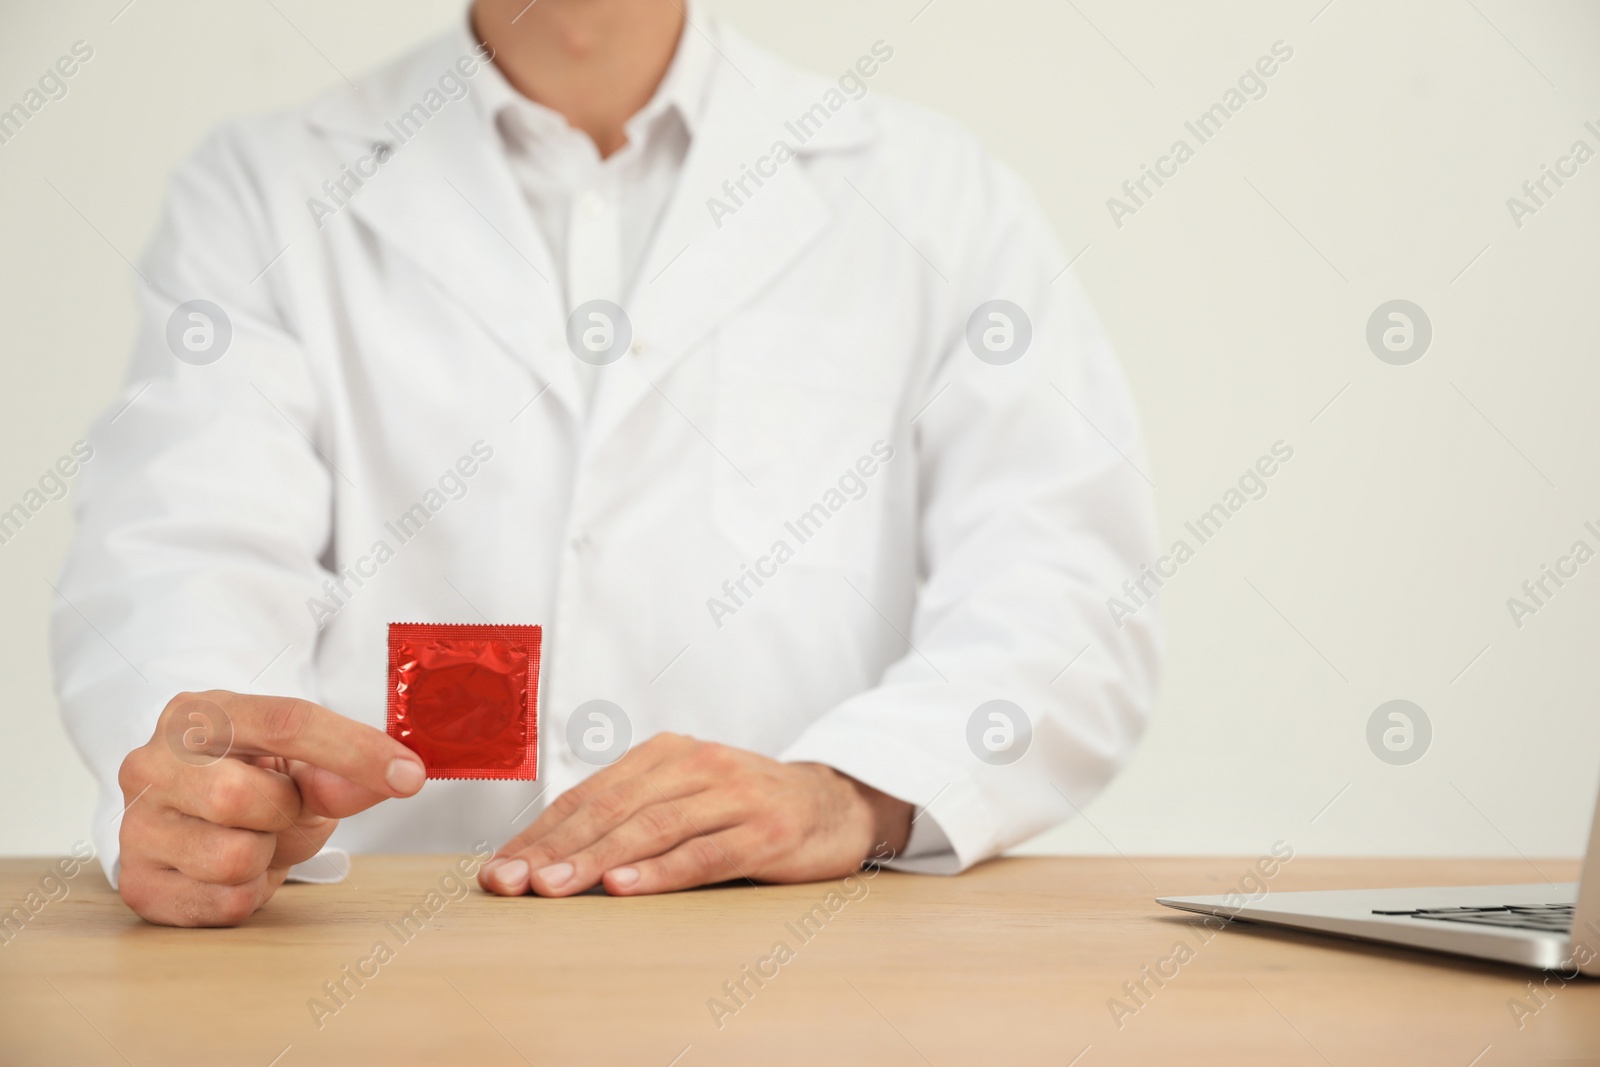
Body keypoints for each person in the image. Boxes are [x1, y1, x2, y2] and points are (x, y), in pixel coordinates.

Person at [51, 0, 1160, 927]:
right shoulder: (263, 189)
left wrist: (852, 792)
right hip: (369, 963)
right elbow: (182, 557)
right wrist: (199, 789)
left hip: (801, 979)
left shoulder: (934, 194)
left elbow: (1067, 595)